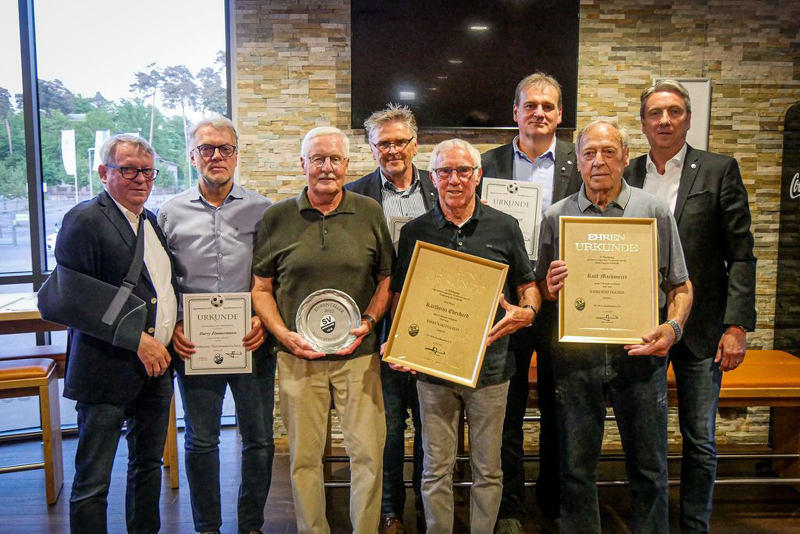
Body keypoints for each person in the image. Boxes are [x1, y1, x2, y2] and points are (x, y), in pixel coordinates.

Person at [537, 119, 693, 533]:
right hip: (576, 359)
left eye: (608, 152)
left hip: (640, 355)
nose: (598, 161)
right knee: (575, 467)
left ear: (625, 157)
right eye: (589, 153)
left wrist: (672, 330)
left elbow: (681, 286)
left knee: (649, 467)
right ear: (578, 161)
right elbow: (543, 290)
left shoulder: (654, 211)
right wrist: (549, 289)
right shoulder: (556, 216)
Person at [624, 80, 757, 534]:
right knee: (648, 441)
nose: (664, 120)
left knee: (700, 440)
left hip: (702, 329)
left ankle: (695, 526)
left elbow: (741, 252)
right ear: (642, 123)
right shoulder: (628, 173)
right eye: (655, 113)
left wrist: (737, 325)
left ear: (688, 117)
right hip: (640, 325)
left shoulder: (720, 170)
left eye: (674, 112)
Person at [391, 138, 542, 534]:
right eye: (444, 171)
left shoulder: (505, 227)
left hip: (491, 370)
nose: (454, 179)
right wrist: (400, 344)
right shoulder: (415, 232)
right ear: (433, 177)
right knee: (434, 468)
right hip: (433, 370)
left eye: (463, 171)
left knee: (489, 469)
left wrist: (527, 312)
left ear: (478, 175)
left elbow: (528, 287)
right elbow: (401, 299)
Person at [251, 126, 393, 534]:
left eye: (334, 159)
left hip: (359, 360)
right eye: (318, 159)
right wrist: (282, 333)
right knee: (304, 459)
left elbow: (386, 279)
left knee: (367, 455)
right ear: (303, 165)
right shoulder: (276, 217)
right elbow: (260, 288)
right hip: (298, 359)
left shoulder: (368, 211)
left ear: (347, 165)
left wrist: (368, 323)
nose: (326, 168)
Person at [157, 114, 274, 534]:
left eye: (225, 148)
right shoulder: (168, 213)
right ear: (193, 156)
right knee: (201, 441)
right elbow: (160, 279)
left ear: (236, 155)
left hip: (252, 339)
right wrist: (173, 327)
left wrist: (265, 317)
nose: (217, 156)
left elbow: (274, 275)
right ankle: (207, 526)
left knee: (259, 440)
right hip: (194, 343)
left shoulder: (264, 210)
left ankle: (251, 524)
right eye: (207, 148)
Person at [56, 134, 178, 534]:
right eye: (128, 170)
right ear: (104, 172)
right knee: (94, 480)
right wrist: (136, 339)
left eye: (147, 171)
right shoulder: (85, 219)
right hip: (105, 370)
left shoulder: (150, 220)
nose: (140, 179)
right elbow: (74, 299)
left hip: (156, 369)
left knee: (147, 467)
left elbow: (158, 287)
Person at [480, 72, 582, 534]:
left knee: (564, 405)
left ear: (560, 114)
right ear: (515, 112)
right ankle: (510, 507)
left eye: (548, 106)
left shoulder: (581, 163)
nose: (539, 113)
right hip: (508, 303)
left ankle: (557, 499)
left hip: (565, 303)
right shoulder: (486, 163)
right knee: (509, 407)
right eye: (530, 105)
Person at [345, 103, 436, 534]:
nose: (393, 149)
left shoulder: (442, 187)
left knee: (430, 422)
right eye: (384, 143)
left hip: (436, 322)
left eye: (401, 141)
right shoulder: (356, 196)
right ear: (370, 148)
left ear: (416, 144)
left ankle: (426, 507)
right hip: (379, 324)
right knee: (388, 426)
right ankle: (390, 511)